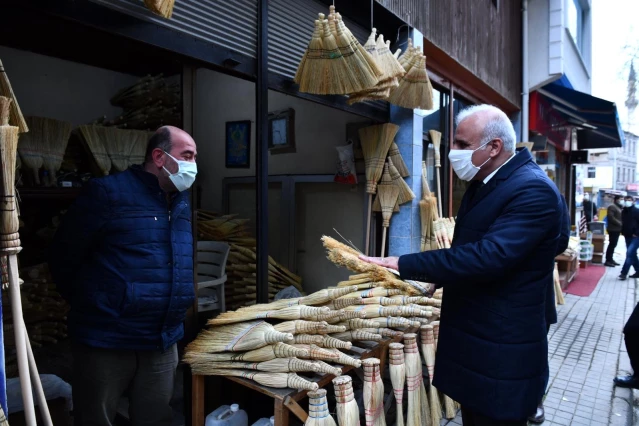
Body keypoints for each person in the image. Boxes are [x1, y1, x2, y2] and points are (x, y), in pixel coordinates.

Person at [361, 105, 565, 426]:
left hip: (501, 348)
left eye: (462, 144)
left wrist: (403, 262)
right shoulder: (487, 182)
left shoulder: (531, 189)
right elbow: (471, 247)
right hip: (476, 340)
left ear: (494, 147)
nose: (453, 152)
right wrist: (439, 278)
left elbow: (488, 255)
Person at [49, 126, 197, 426]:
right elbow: (63, 255)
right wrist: (99, 303)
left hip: (162, 340)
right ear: (159, 156)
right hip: (108, 340)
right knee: (97, 417)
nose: (193, 165)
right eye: (187, 155)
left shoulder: (179, 202)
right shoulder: (108, 193)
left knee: (155, 418)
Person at [529, 194, 571, 424]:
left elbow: (561, 240)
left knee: (535, 351)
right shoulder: (482, 189)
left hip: (533, 291)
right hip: (490, 294)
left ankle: (535, 400)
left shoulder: (546, 194)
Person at [620, 195, 639, 280]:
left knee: (629, 253)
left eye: (629, 200)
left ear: (633, 201)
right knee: (632, 254)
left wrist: (636, 233)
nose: (627, 201)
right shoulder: (624, 211)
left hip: (636, 236)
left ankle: (624, 273)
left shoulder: (636, 211)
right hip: (627, 235)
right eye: (626, 200)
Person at [605, 195, 623, 267]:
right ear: (616, 200)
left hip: (617, 229)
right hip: (613, 229)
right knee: (612, 244)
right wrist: (620, 223)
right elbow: (610, 217)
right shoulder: (612, 207)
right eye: (621, 199)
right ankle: (608, 260)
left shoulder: (619, 207)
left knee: (614, 245)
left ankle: (611, 259)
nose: (622, 200)